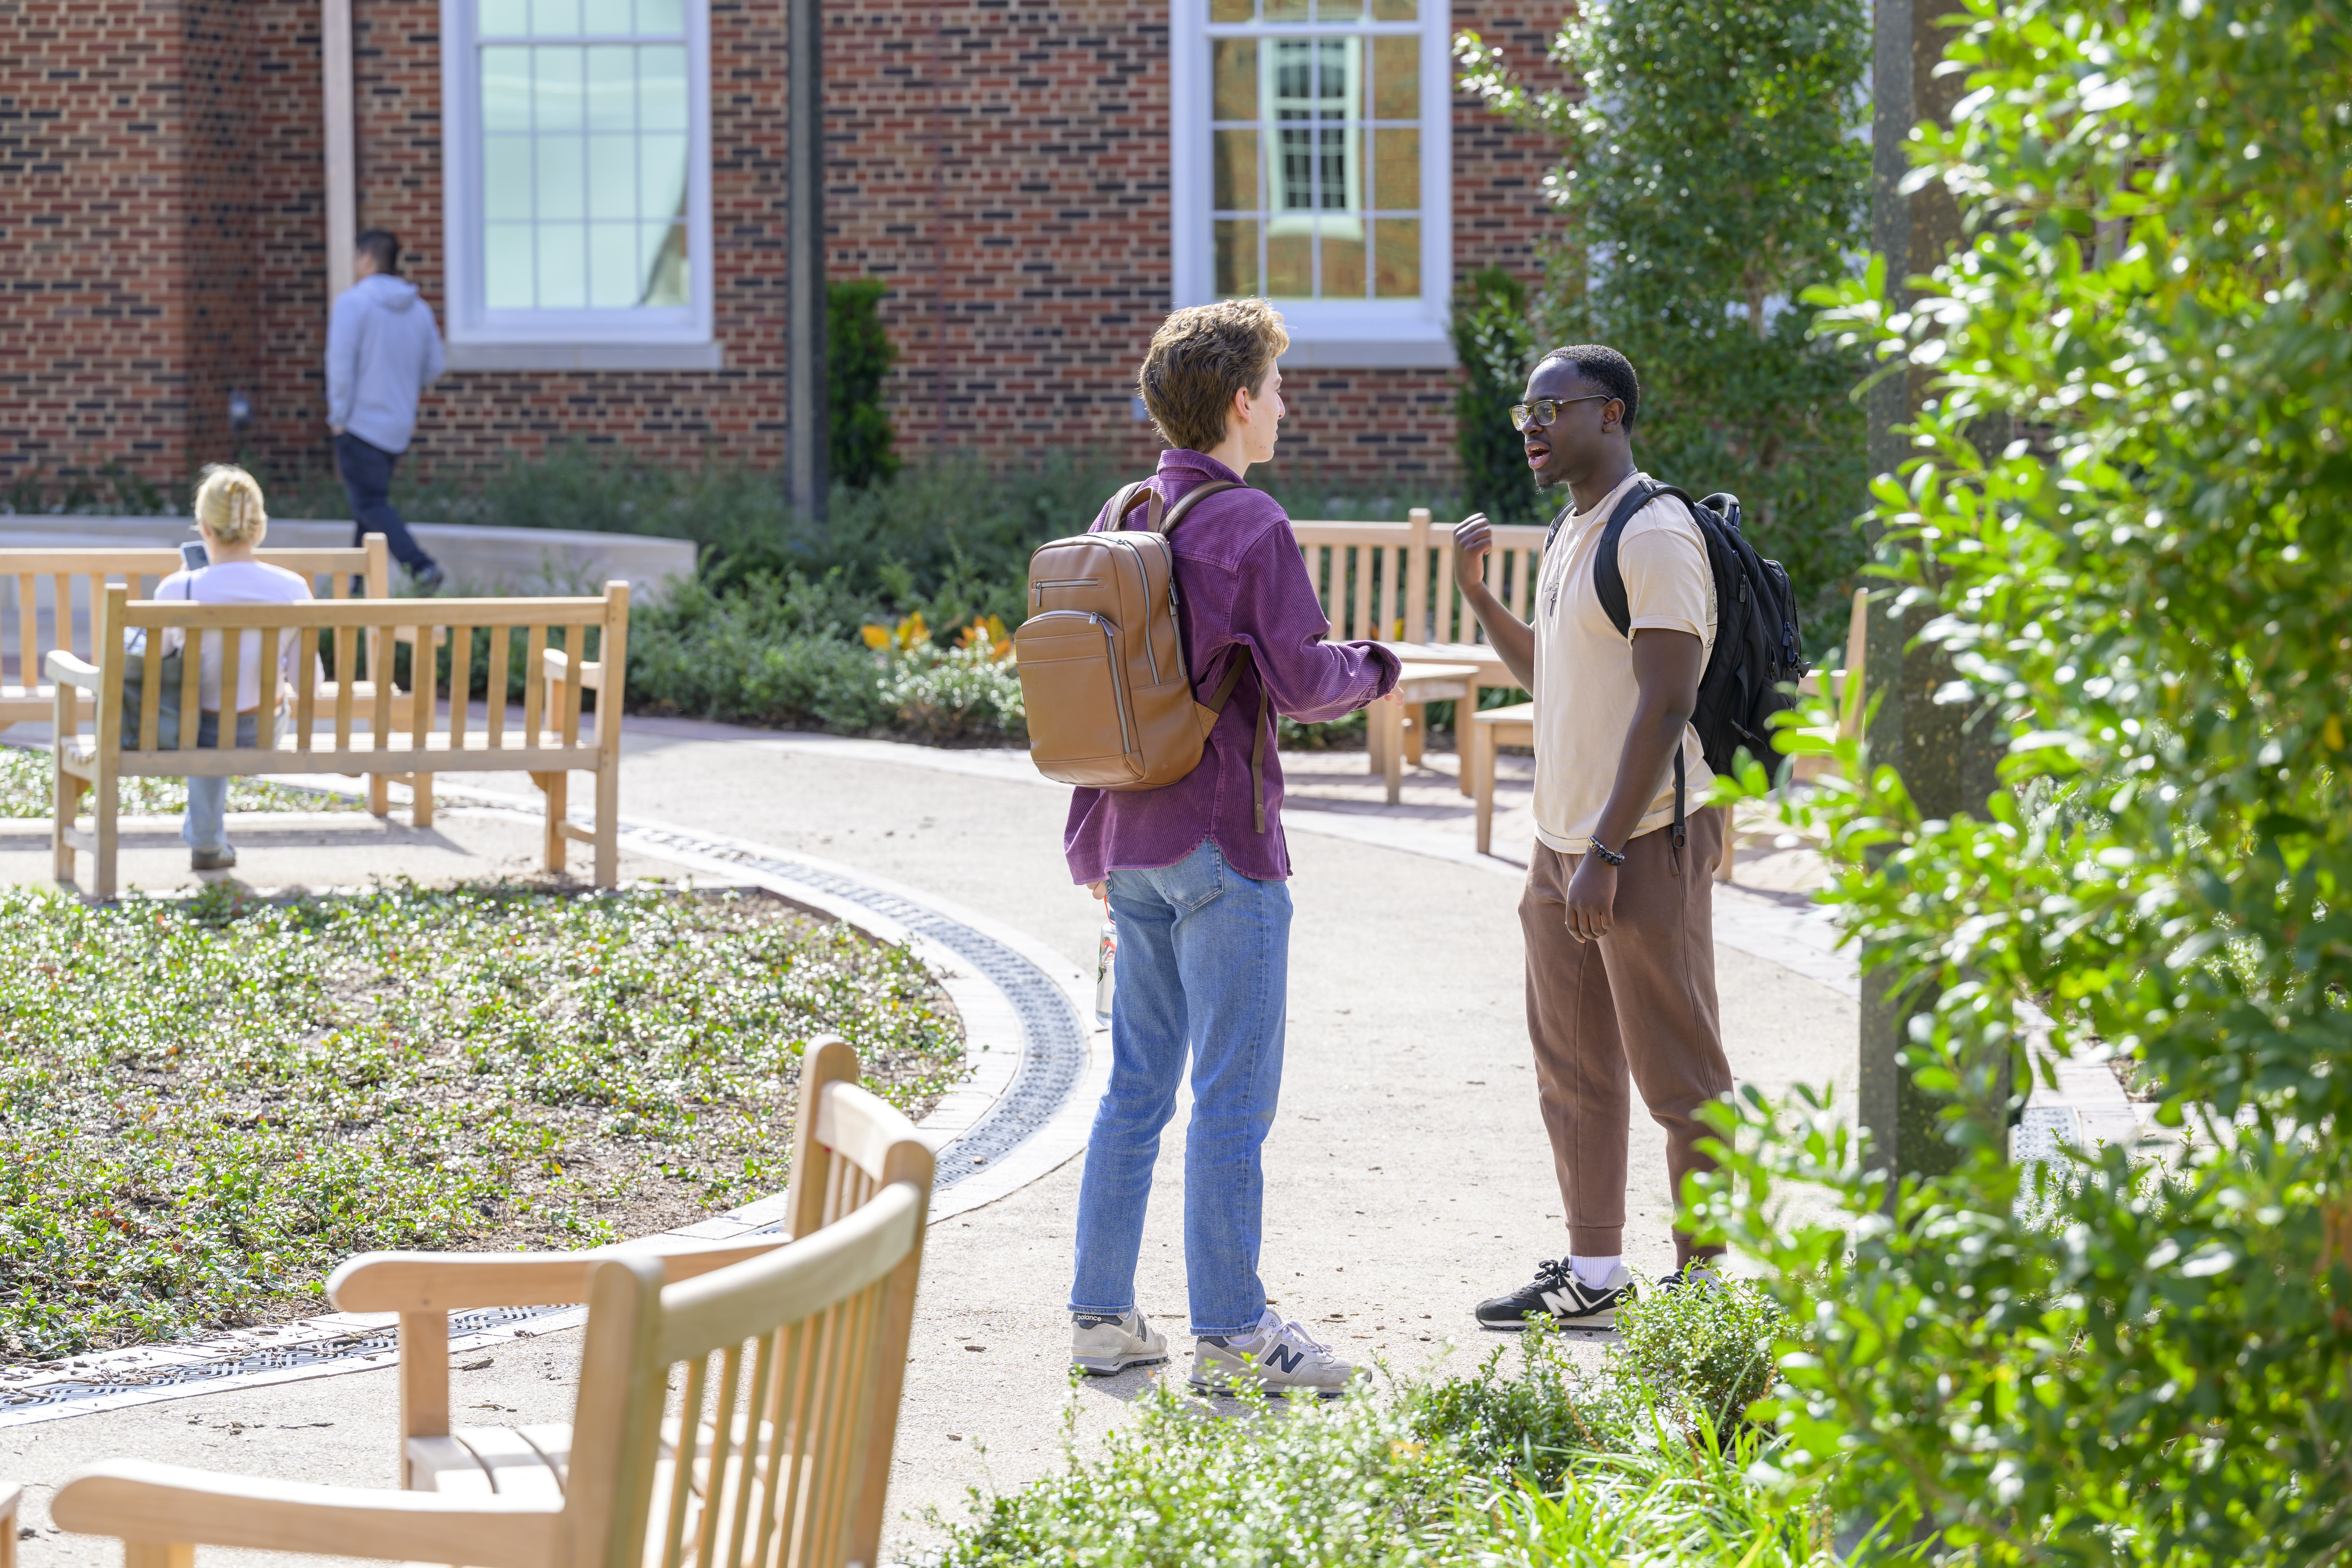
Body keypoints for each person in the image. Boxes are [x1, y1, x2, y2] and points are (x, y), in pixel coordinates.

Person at [1063, 299, 1402, 1397]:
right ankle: (1233, 1333)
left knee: (1137, 1088)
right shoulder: (1248, 522)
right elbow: (1304, 682)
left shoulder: (1127, 508)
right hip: (1223, 843)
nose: (1287, 405)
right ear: (1241, 402)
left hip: (1126, 836)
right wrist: (1377, 666)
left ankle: (1104, 1319)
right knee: (1231, 1098)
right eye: (1279, 386)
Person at [1451, 344, 1734, 1328]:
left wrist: (1607, 854)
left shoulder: (1653, 534)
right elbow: (1558, 680)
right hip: (1560, 845)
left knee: (1678, 1073)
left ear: (1609, 414)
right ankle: (1594, 1274)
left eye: (1550, 409)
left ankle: (1701, 1290)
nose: (1530, 426)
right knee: (1571, 1066)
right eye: (1523, 412)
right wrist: (1482, 599)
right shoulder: (1567, 531)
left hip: (1641, 840)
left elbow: (1665, 705)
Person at [147, 466, 315, 872]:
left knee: (200, 718)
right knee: (245, 710)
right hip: (262, 730)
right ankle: (208, 842)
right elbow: (311, 681)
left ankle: (206, 839)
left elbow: (155, 664)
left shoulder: (178, 590)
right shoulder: (293, 588)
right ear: (259, 530)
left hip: (195, 729)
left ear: (205, 529)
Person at [327, 228, 446, 590]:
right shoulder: (420, 310)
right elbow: (435, 366)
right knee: (367, 508)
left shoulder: (354, 303)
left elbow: (341, 365)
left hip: (359, 423)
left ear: (366, 258)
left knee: (370, 503)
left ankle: (421, 566)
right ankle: (358, 589)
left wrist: (338, 416)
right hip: (397, 426)